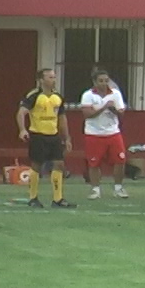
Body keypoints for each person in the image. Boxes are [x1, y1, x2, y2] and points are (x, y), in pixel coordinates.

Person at [15, 69, 76, 208]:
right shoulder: (33, 95)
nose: (53, 80)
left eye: (54, 77)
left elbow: (62, 118)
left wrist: (67, 138)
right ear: (41, 80)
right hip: (38, 135)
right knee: (37, 165)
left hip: (53, 136)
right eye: (50, 77)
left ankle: (58, 199)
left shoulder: (57, 97)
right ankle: (33, 197)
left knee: (59, 164)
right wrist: (22, 129)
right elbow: (21, 112)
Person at [81, 70, 129, 199]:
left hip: (113, 132)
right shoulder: (88, 95)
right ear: (95, 82)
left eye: (106, 80)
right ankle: (95, 189)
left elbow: (121, 113)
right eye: (101, 81)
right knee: (94, 163)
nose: (104, 83)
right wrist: (103, 107)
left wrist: (113, 109)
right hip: (93, 133)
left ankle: (118, 188)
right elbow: (87, 115)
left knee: (120, 160)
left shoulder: (115, 94)